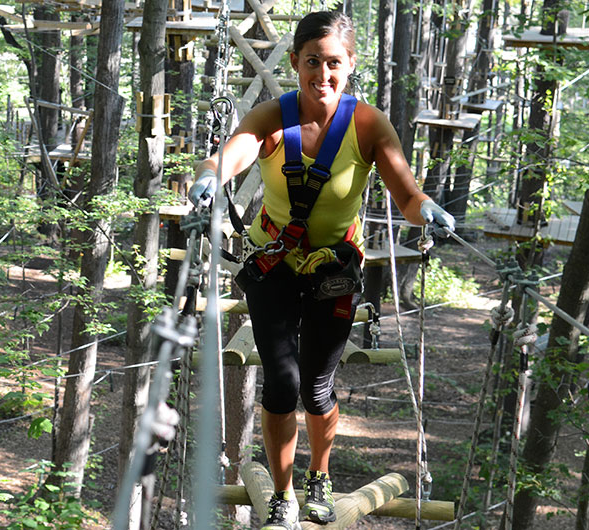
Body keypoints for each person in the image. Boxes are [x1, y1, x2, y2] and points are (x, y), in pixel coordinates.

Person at [187, 11, 455, 529]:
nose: (323, 74)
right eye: (312, 62)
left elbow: (406, 194)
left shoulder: (368, 125)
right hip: (273, 264)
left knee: (316, 385)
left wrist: (427, 210)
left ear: (350, 64)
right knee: (281, 383)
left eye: (334, 62)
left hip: (334, 268)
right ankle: (283, 492)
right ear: (294, 62)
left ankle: (320, 476)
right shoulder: (271, 117)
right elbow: (230, 156)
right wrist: (207, 179)